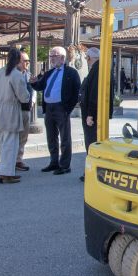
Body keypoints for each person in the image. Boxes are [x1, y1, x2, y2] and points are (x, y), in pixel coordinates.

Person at [30, 46, 81, 175]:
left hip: (61, 108)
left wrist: (68, 109)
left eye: (54, 56)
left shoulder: (71, 73)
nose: (51, 59)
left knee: (65, 138)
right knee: (51, 137)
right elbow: (40, 86)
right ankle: (54, 162)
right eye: (51, 56)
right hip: (49, 108)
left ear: (63, 58)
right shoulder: (49, 73)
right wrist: (33, 83)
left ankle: (64, 165)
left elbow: (77, 92)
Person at [0, 48, 32, 184]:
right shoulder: (16, 75)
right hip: (11, 112)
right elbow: (24, 97)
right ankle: (6, 173)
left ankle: (5, 170)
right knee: (11, 144)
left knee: (3, 143)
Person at [78, 47, 100, 182]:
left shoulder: (96, 70)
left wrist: (90, 114)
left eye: (86, 58)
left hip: (91, 115)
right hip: (89, 113)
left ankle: (91, 174)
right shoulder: (96, 69)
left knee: (91, 145)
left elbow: (94, 94)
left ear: (90, 58)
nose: (86, 60)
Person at [16, 50, 35, 172]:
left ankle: (19, 159)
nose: (27, 63)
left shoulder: (28, 74)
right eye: (24, 61)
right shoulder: (13, 74)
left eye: (28, 61)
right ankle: (10, 160)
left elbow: (33, 88)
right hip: (16, 110)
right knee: (13, 137)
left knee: (23, 137)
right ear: (18, 62)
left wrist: (33, 100)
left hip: (26, 109)